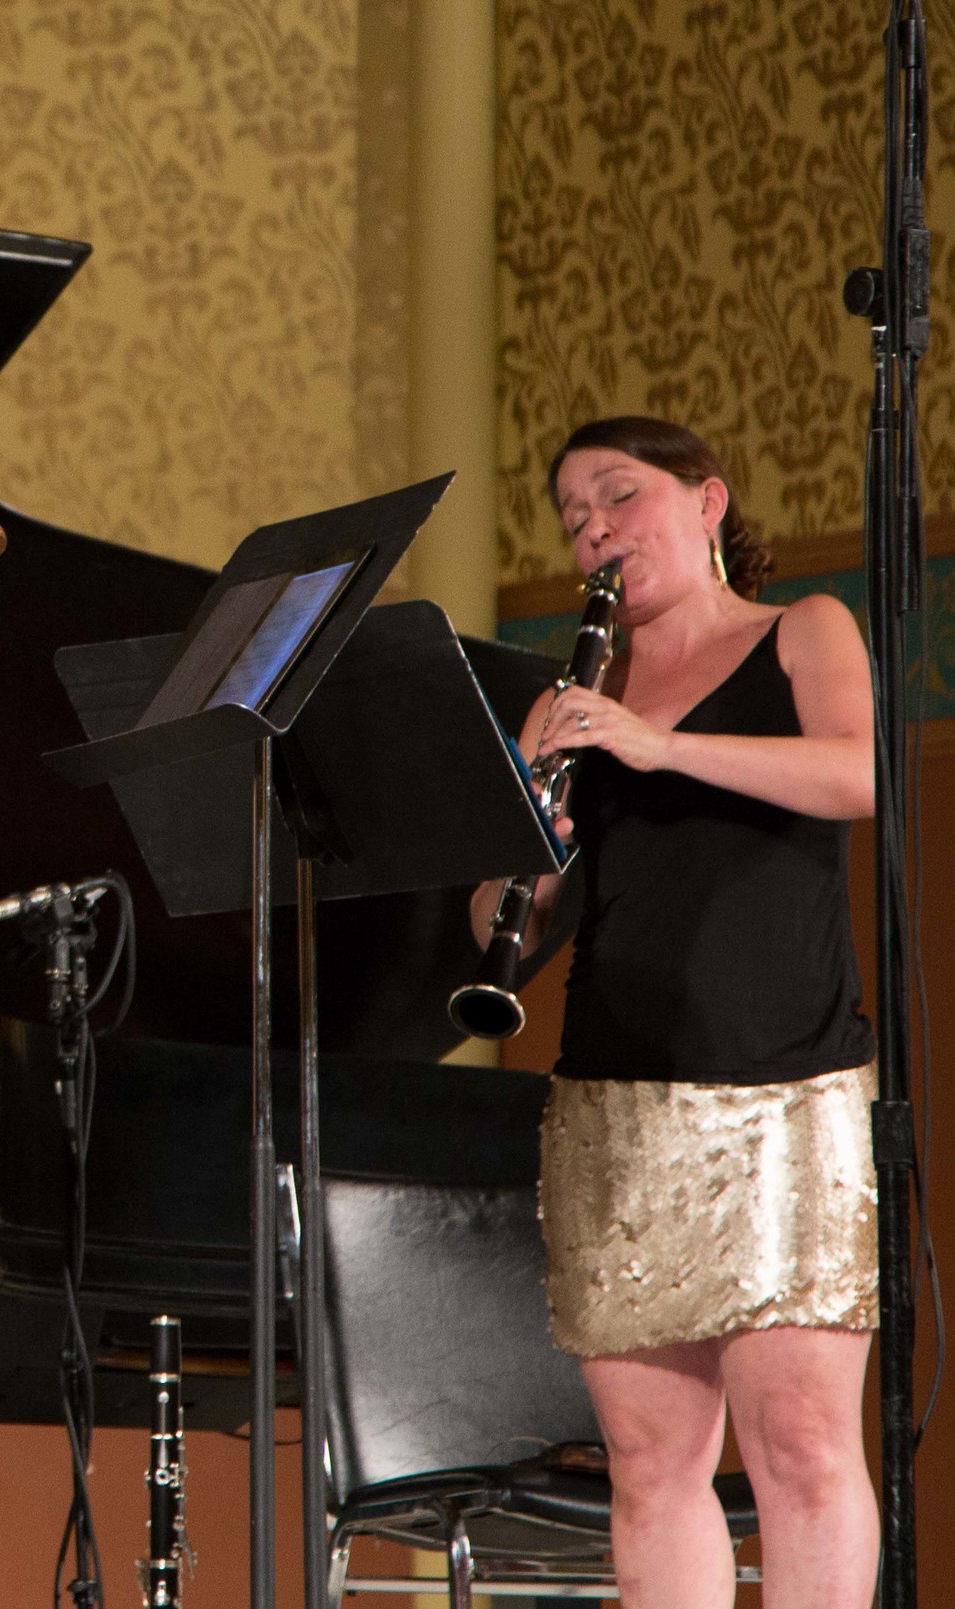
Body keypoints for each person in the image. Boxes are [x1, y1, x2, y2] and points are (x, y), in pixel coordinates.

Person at [471, 417, 878, 1606]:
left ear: (707, 503)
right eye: (572, 517)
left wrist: (659, 748)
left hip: (787, 1089)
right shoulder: (573, 699)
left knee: (801, 1445)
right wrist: (519, 843)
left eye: (617, 496)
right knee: (651, 1465)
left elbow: (859, 773)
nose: (592, 529)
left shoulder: (801, 630)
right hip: (616, 1095)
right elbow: (505, 915)